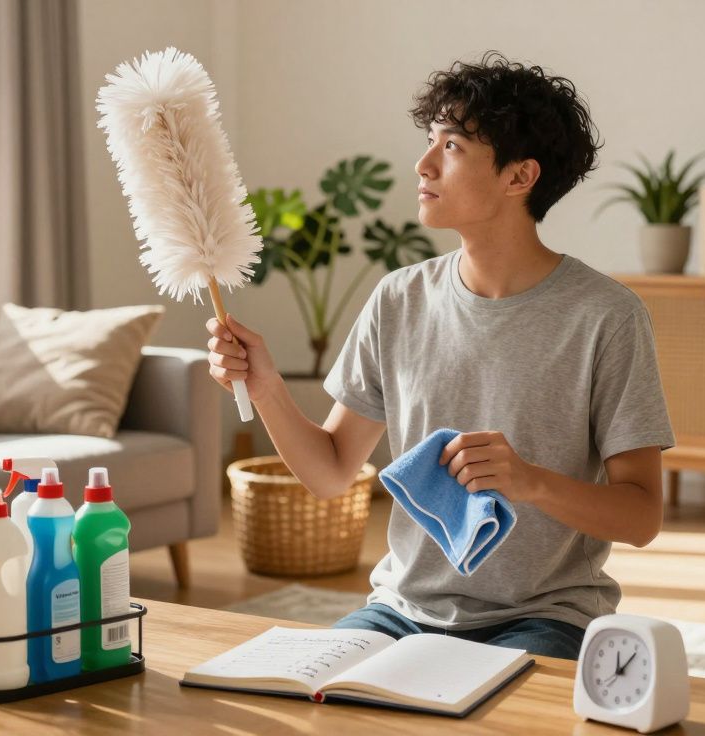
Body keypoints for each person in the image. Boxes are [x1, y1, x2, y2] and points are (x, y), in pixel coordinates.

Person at [204, 52, 674, 660]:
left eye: (451, 147)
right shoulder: (399, 297)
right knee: (308, 700)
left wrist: (528, 481)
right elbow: (329, 473)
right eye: (431, 141)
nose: (423, 164)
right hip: (400, 610)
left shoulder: (606, 316)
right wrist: (266, 386)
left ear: (519, 176)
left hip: (544, 617)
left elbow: (641, 518)